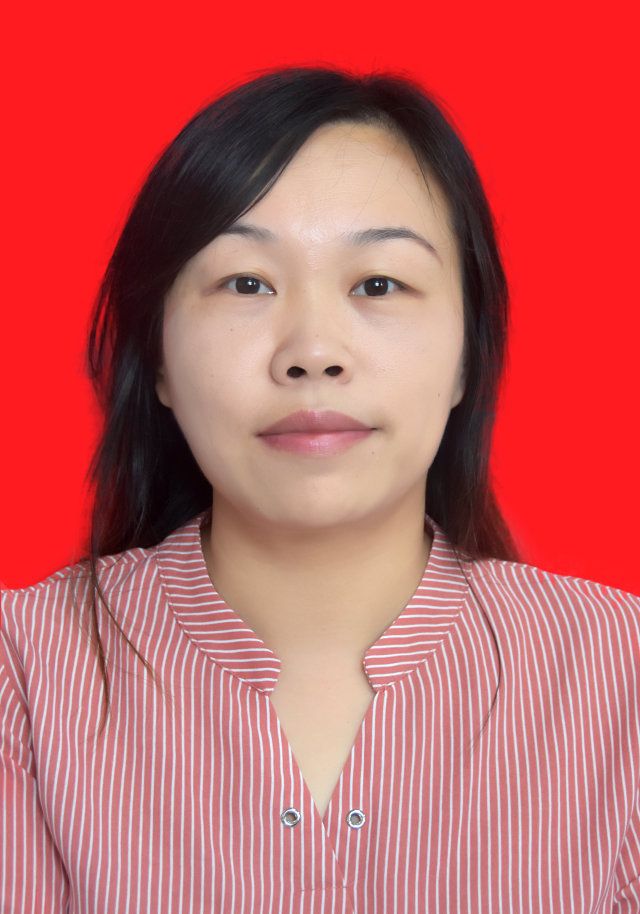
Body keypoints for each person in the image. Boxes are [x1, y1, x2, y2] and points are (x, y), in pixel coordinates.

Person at [1, 65, 638, 914]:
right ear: (157, 360)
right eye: (245, 283)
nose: (312, 352)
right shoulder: (23, 673)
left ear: (467, 356)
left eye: (378, 284)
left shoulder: (618, 674)